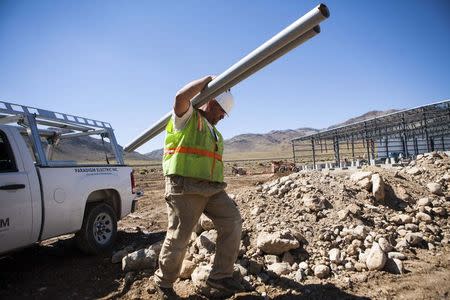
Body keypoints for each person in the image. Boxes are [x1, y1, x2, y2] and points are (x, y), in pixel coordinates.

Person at [154, 75, 243, 299]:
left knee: (232, 221)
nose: (223, 117)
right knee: (179, 237)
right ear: (212, 102)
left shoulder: (214, 132)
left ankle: (220, 277)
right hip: (185, 187)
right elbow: (180, 97)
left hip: (212, 189)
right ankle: (163, 283)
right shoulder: (187, 118)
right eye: (222, 111)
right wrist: (207, 81)